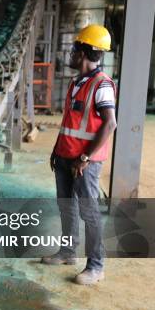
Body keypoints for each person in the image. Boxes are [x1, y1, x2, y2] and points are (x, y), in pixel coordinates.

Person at [41, 24, 117, 286]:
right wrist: (56, 150)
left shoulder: (102, 85)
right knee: (66, 207)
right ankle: (67, 252)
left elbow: (110, 124)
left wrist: (85, 158)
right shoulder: (75, 83)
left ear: (83, 52)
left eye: (74, 49)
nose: (70, 54)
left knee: (89, 212)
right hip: (65, 156)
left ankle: (96, 267)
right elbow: (69, 123)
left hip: (85, 163)